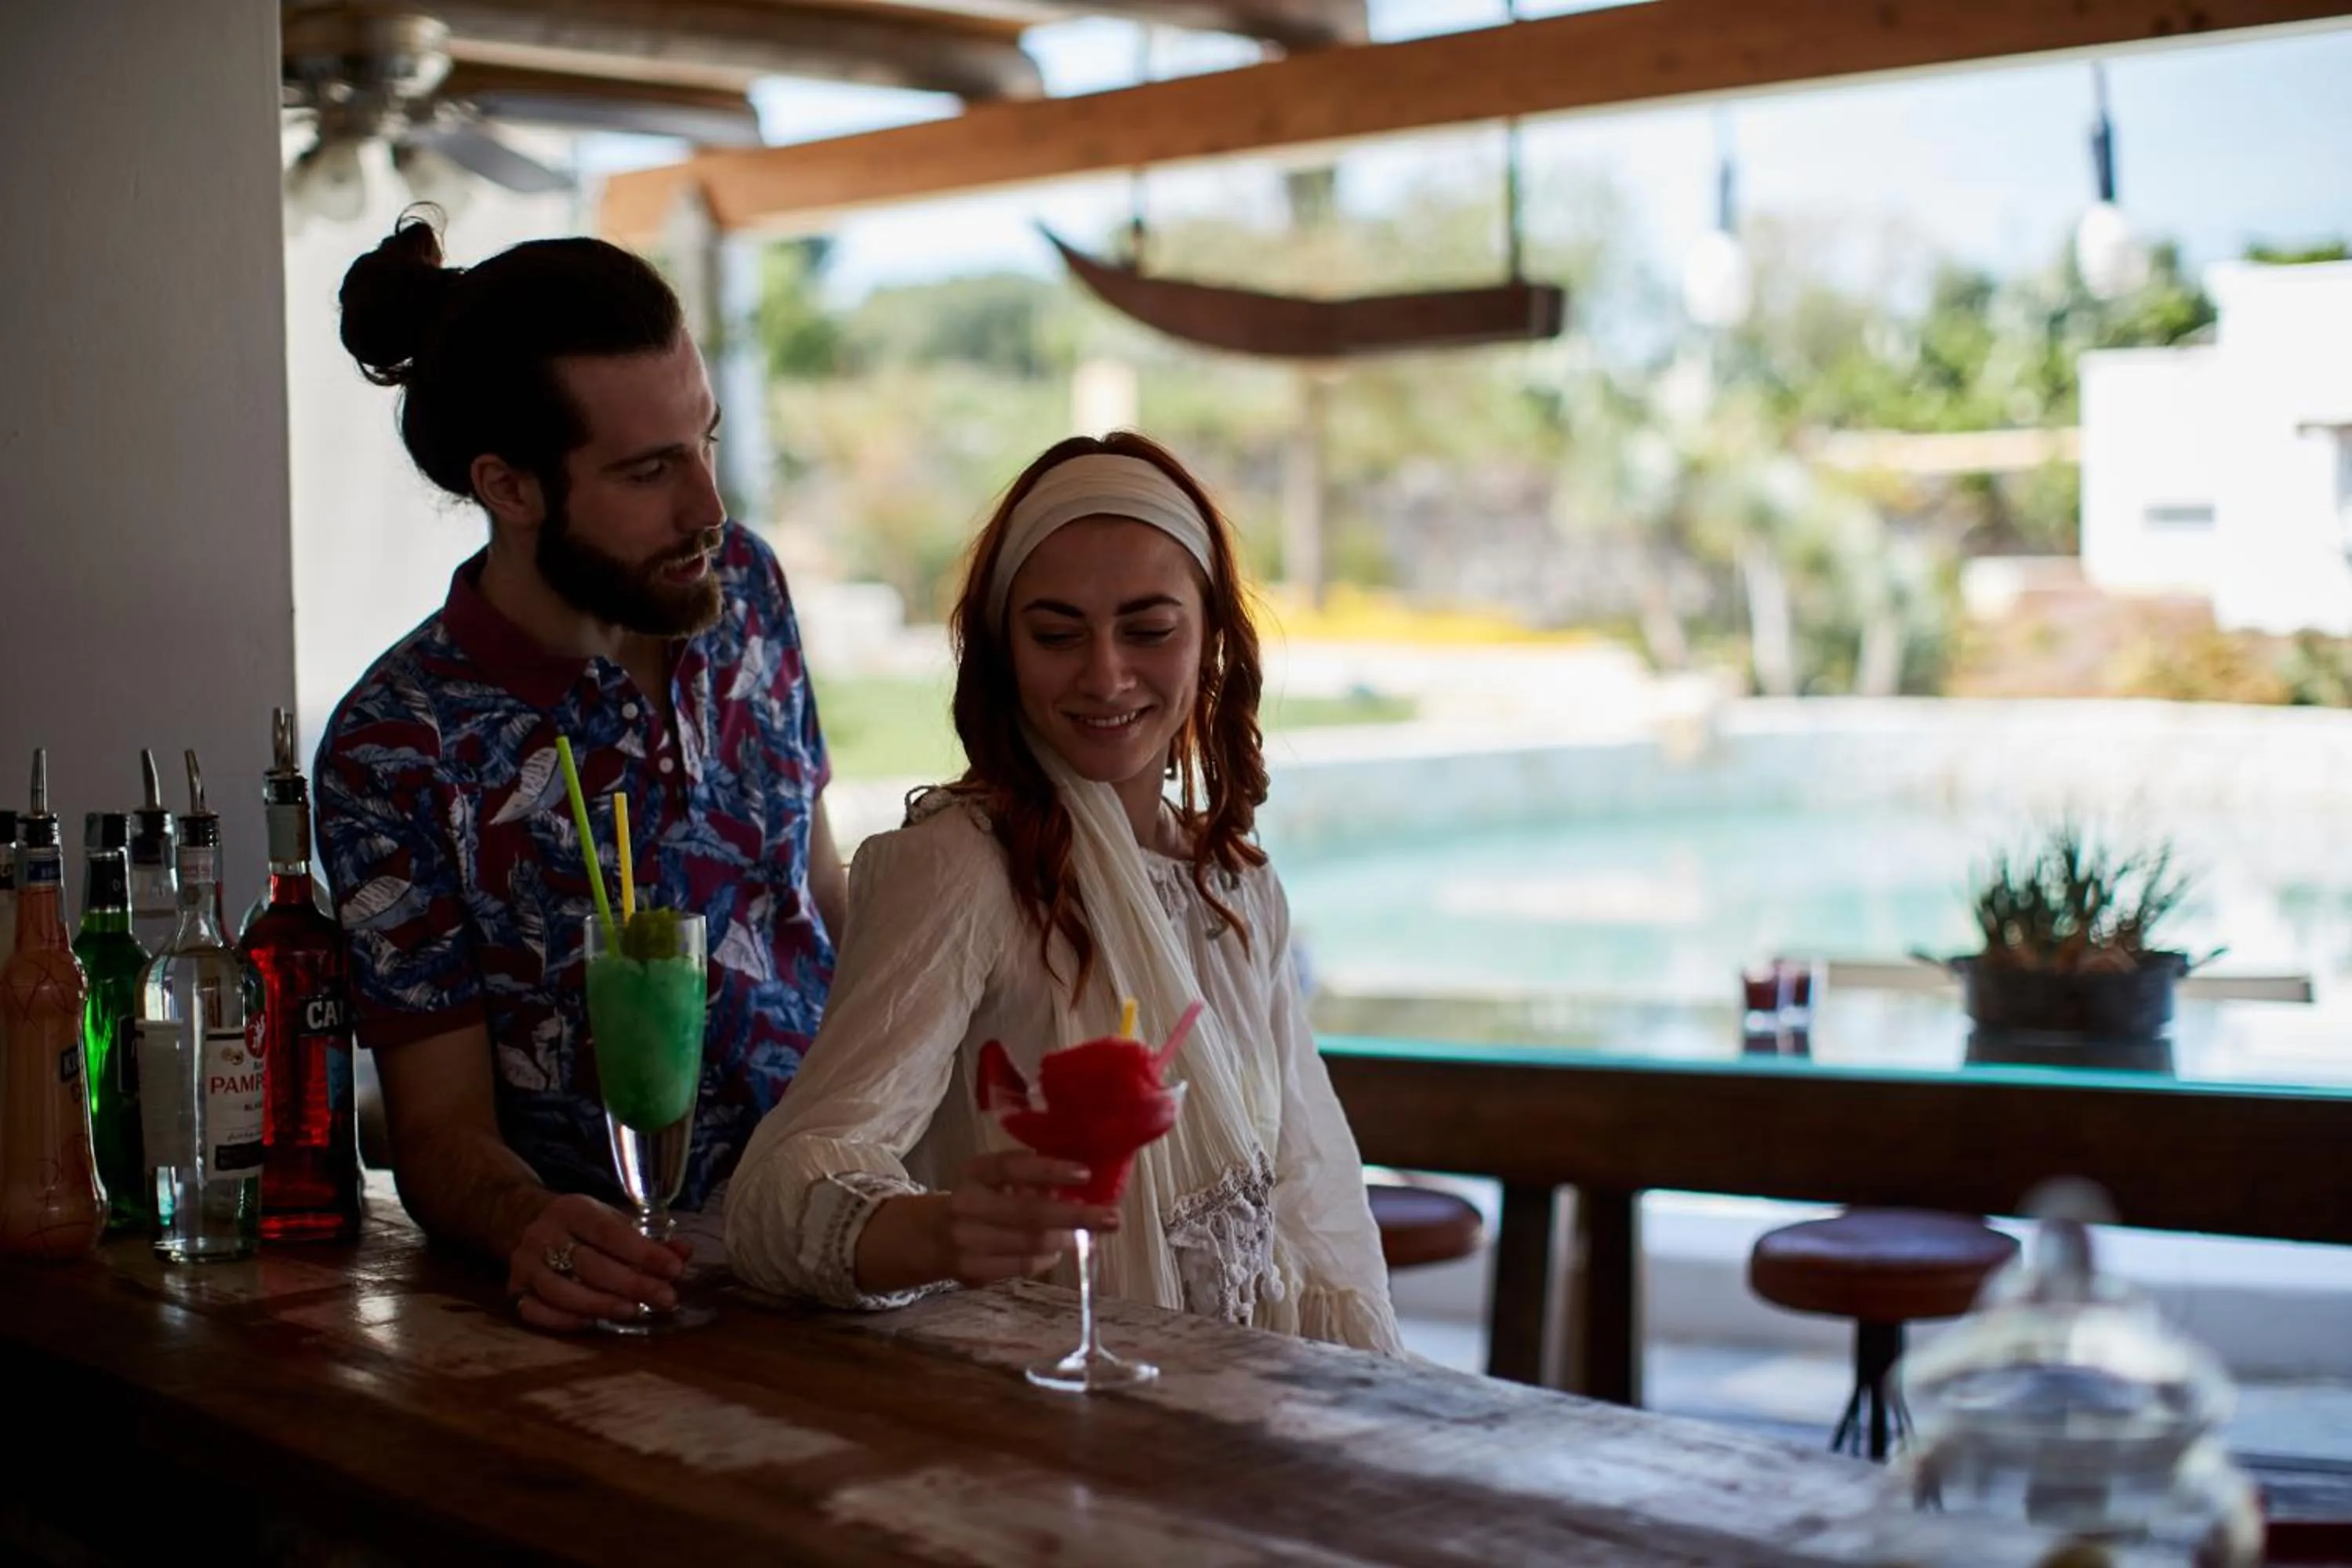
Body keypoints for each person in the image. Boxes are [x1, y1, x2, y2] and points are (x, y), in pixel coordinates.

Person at [724, 433, 1401, 1354]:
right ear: (1002, 652)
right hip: (1028, 1421)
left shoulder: (1235, 883)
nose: (1106, 673)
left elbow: (1312, 1197)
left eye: (1149, 629)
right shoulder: (961, 868)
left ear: (1211, 640)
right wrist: (934, 1228)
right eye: (1055, 634)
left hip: (1231, 1420)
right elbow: (779, 1187)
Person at [315, 213, 844, 1332]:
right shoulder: (397, 745)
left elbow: (820, 893)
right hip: (618, 1302)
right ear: (509, 488)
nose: (708, 505)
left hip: (850, 1237)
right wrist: (530, 1225)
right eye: (650, 470)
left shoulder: (743, 590)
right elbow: (440, 1129)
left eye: (703, 440)